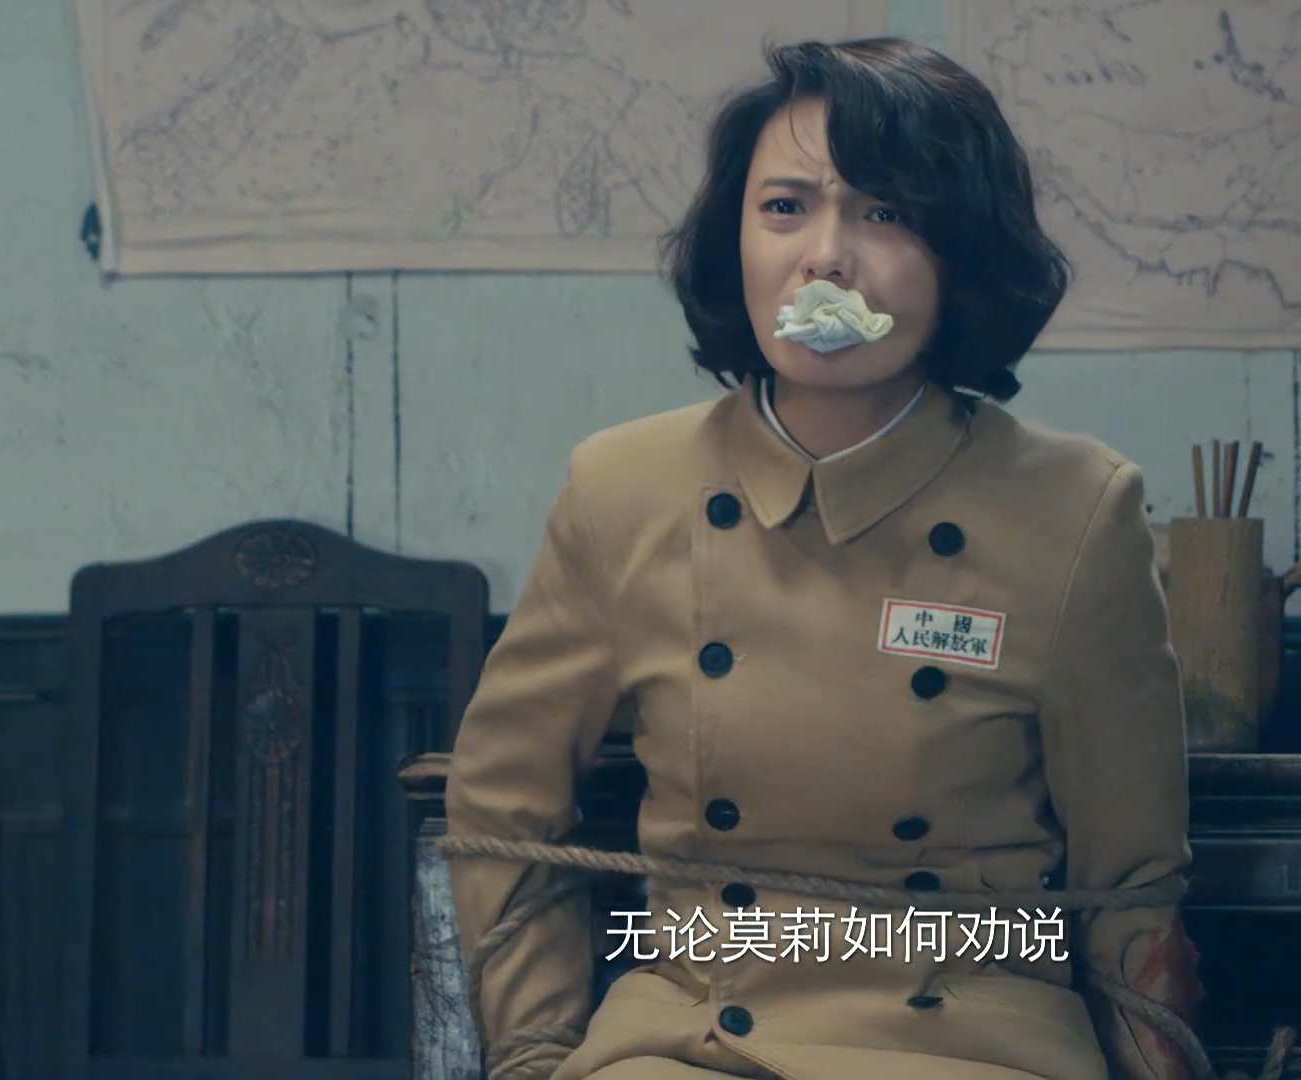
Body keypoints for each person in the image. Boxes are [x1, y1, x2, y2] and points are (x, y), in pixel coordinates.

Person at [444, 36, 1205, 1080]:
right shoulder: (622, 489)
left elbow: (1131, 877)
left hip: (973, 1046)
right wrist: (534, 1054)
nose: (826, 258)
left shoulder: (1078, 508)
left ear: (962, 252)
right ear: (736, 242)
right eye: (784, 207)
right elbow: (502, 805)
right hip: (689, 1038)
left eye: (885, 213)